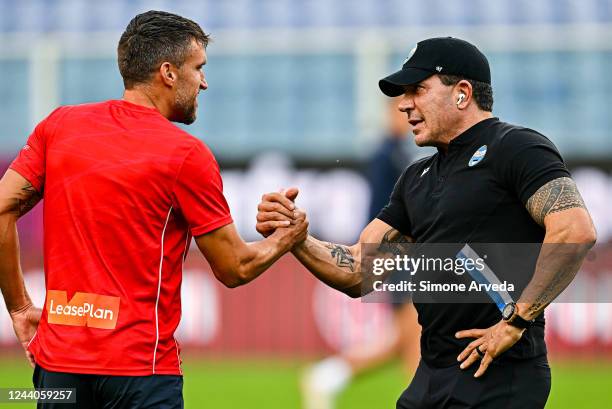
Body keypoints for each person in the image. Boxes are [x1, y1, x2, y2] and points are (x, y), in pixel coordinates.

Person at [256, 37, 596, 409]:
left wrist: (516, 321)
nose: (404, 105)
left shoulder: (517, 148)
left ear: (462, 93)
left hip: (498, 377)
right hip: (430, 378)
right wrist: (298, 238)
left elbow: (574, 231)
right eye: (403, 94)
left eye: (417, 90)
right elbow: (358, 270)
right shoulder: (416, 178)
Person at [0, 10, 307, 409]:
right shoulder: (184, 154)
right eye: (199, 68)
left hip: (57, 370)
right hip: (140, 371)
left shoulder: (59, 127)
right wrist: (289, 236)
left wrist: (21, 308)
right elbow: (235, 267)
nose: (205, 82)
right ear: (168, 72)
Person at [301, 99, 421, 409]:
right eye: (400, 110)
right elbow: (380, 213)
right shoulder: (386, 156)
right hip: (400, 256)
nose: (407, 116)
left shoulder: (398, 153)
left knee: (408, 339)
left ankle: (328, 375)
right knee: (416, 338)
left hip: (405, 256)